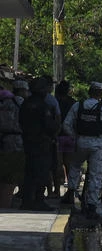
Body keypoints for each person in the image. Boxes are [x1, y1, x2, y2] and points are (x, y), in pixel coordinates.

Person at [63, 82, 102, 218]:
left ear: (89, 92)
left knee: (75, 167)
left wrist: (74, 137)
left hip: (81, 142)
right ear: (100, 93)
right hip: (97, 145)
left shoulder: (78, 106)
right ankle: (92, 205)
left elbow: (66, 124)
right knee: (96, 175)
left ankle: (70, 192)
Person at [18, 77, 60, 211]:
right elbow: (50, 126)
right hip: (41, 143)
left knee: (29, 172)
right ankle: (38, 200)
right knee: (42, 172)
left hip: (28, 142)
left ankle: (27, 200)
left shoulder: (26, 104)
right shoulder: (43, 106)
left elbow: (21, 122)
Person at [0, 86, 24, 208]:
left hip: (4, 138)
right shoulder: (18, 101)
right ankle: (6, 202)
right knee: (11, 173)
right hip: (15, 140)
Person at [55, 80, 76, 193]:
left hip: (56, 136)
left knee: (57, 164)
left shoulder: (54, 101)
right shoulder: (73, 103)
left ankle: (57, 190)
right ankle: (70, 190)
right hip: (68, 136)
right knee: (68, 164)